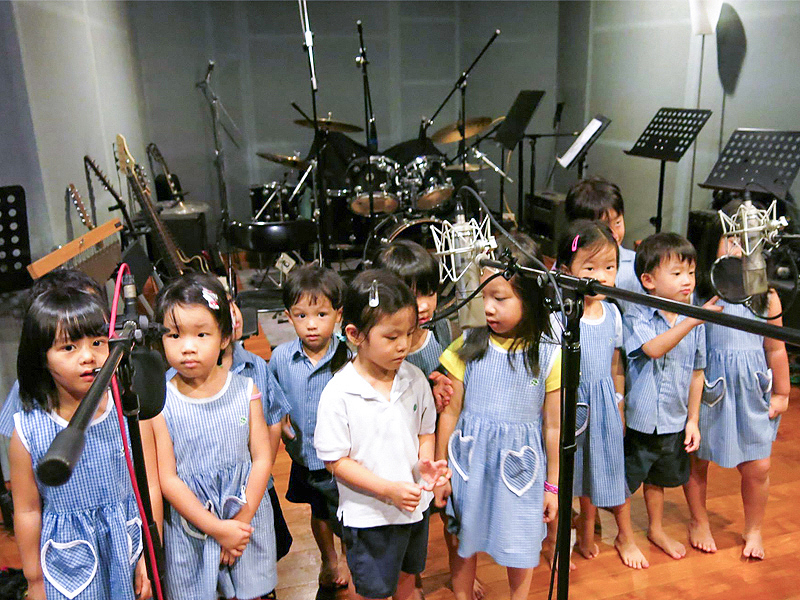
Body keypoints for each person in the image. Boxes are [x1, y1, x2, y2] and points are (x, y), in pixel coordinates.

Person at [436, 233, 561, 600]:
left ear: (530, 296)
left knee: (521, 543)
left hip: (522, 468)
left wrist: (552, 487)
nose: (488, 308)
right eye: (483, 296)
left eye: (500, 298)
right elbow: (451, 413)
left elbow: (553, 426)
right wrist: (442, 470)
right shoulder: (467, 344)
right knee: (463, 540)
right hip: (468, 461)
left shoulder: (551, 353)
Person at [314, 270, 450, 600]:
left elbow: (425, 431)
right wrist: (387, 489)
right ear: (355, 334)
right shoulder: (339, 392)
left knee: (408, 577)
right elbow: (335, 461)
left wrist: (425, 462)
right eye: (391, 337)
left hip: (413, 508)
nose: (404, 344)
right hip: (368, 516)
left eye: (409, 333)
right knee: (372, 591)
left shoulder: (415, 378)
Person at [9, 288, 152, 600]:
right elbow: (28, 510)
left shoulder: (126, 410)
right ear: (41, 358)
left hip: (124, 544)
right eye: (69, 347)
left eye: (98, 342)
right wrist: (34, 581)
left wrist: (143, 555)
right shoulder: (30, 431)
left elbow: (142, 489)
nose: (88, 356)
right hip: (67, 562)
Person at [150, 274, 278, 600]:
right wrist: (219, 530)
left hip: (245, 517)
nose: (188, 347)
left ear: (224, 337)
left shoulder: (245, 390)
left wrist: (241, 524)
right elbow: (167, 478)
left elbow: (262, 457)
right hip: (193, 525)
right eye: (174, 335)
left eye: (202, 334)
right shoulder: (161, 402)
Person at [685, 205, 790, 559]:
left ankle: (754, 528)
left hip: (752, 392)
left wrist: (783, 392)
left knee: (758, 466)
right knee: (698, 461)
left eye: (750, 240)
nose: (740, 247)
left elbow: (775, 349)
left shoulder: (767, 297)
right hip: (711, 389)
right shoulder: (700, 295)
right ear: (713, 243)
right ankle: (698, 519)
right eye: (732, 238)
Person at [555, 220, 648, 569]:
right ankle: (562, 540)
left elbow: (616, 365)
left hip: (606, 404)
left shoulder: (612, 313)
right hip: (569, 407)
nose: (602, 276)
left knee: (607, 469)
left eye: (609, 267)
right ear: (567, 271)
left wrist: (620, 404)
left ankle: (622, 534)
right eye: (590, 267)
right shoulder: (562, 317)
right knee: (570, 473)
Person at [623, 232, 721, 560]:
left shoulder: (694, 317)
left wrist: (693, 419)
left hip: (674, 419)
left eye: (691, 273)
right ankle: (623, 535)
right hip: (638, 418)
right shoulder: (639, 312)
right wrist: (693, 321)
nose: (687, 281)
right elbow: (652, 348)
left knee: (659, 478)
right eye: (676, 273)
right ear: (648, 280)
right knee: (623, 481)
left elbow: (697, 371)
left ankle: (656, 528)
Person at [268, 265, 351, 589]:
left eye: (321, 314)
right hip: (305, 456)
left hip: (345, 457)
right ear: (289, 317)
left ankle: (349, 558)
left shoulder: (348, 355)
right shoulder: (281, 358)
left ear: (338, 315)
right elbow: (273, 396)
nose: (312, 324)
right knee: (319, 512)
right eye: (301, 316)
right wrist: (282, 420)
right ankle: (329, 559)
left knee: (347, 514)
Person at [565, 176, 640, 308]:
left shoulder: (636, 263)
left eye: (618, 223)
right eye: (605, 228)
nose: (614, 235)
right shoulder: (568, 266)